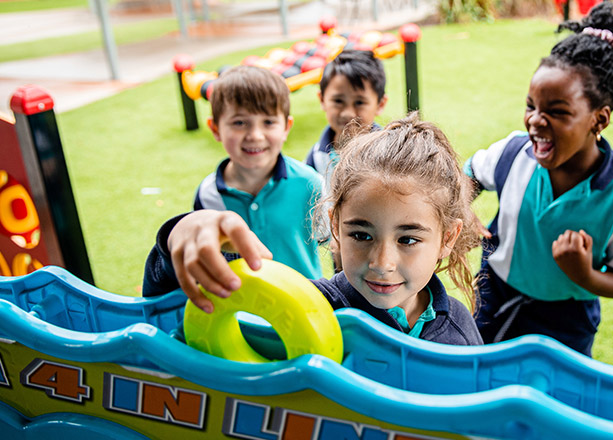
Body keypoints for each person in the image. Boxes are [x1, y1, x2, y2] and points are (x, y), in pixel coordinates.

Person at [143, 113, 483, 346]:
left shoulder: (459, 329)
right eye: (361, 235)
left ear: (447, 238)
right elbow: (171, 311)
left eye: (408, 239)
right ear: (334, 223)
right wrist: (180, 236)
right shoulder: (303, 305)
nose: (382, 262)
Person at [464, 2, 613, 356]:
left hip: (566, 322)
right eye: (531, 106)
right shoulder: (514, 153)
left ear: (599, 120)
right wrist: (460, 211)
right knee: (481, 380)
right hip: (495, 296)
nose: (536, 121)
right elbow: (470, 175)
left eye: (556, 112)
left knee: (554, 402)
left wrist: (583, 274)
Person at [190, 65, 323, 280]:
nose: (255, 135)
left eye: (268, 122)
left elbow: (335, 246)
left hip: (307, 305)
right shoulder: (208, 195)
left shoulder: (311, 183)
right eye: (239, 123)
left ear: (286, 128)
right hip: (242, 309)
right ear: (215, 129)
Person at [304, 49, 389, 271]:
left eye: (360, 102)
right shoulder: (317, 157)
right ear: (322, 100)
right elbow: (312, 205)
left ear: (380, 104)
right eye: (338, 101)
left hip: (386, 245)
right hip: (341, 250)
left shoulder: (390, 151)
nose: (348, 112)